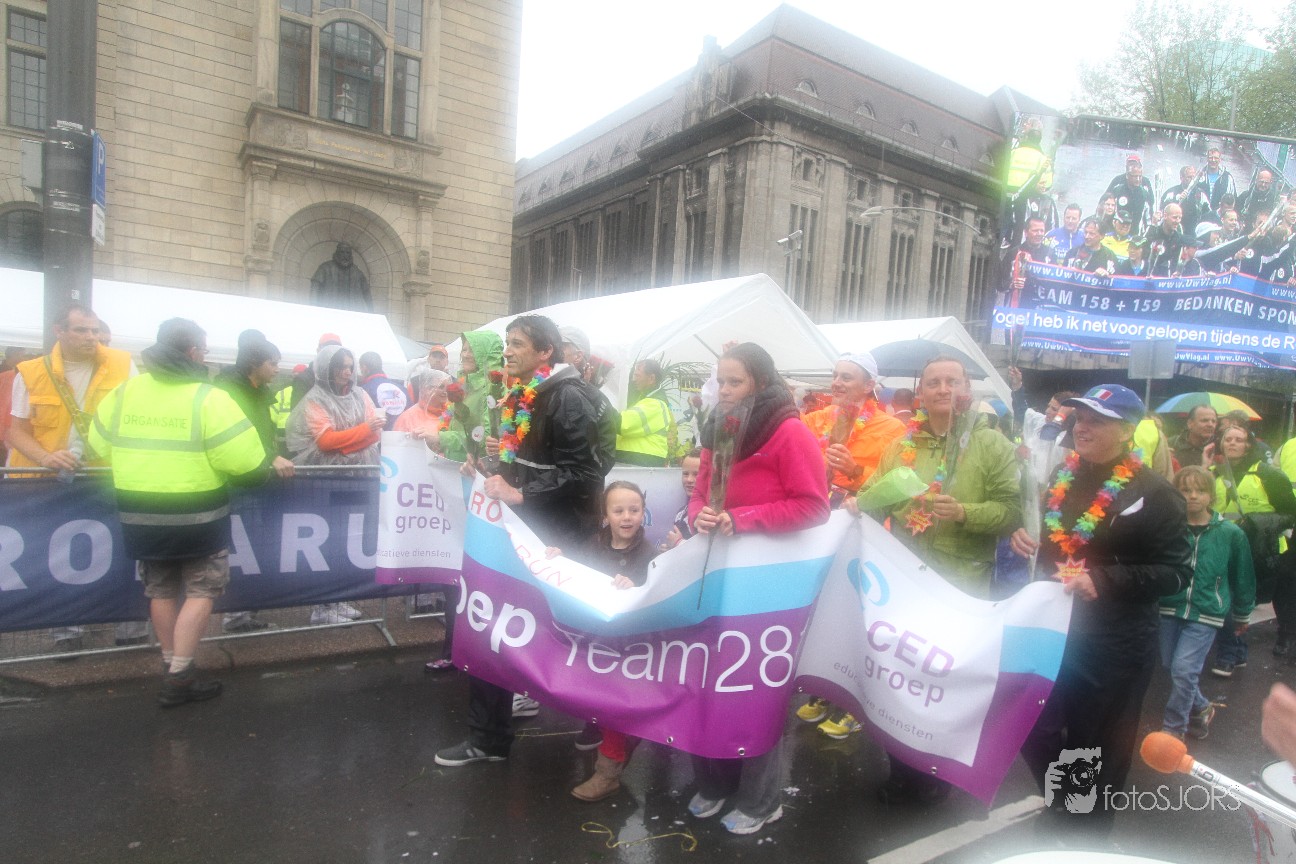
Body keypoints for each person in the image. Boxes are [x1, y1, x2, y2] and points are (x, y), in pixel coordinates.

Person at [1012, 384, 1191, 842]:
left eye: (1097, 420)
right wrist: (1023, 536)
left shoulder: (1156, 492)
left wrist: (1105, 580)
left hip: (1116, 643)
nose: (1082, 427)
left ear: (1127, 431)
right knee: (1032, 724)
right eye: (1080, 418)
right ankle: (1064, 804)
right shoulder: (1063, 476)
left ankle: (1083, 835)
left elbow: (1177, 573)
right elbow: (1052, 542)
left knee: (1094, 747)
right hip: (1056, 630)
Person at [434, 314, 610, 768]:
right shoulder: (523, 390)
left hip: (557, 537)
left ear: (545, 351)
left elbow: (587, 473)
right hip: (520, 527)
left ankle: (601, 721)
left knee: (572, 630)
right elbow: (524, 458)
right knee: (494, 625)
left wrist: (521, 492)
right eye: (507, 342)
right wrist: (490, 469)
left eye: (516, 344)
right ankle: (488, 738)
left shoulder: (569, 396)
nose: (507, 351)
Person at [685, 342, 830, 834]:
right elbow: (701, 493)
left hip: (769, 583)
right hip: (716, 575)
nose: (724, 391)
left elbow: (813, 506)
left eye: (736, 382)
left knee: (754, 690)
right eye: (721, 381)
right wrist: (700, 515)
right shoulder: (717, 426)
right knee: (709, 681)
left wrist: (742, 519)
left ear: (760, 383)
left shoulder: (789, 431)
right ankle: (715, 781)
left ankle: (762, 798)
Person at [863, 356, 1020, 804]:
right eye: (933, 382)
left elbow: (1012, 512)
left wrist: (966, 513)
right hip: (906, 585)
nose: (943, 389)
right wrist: (864, 503)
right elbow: (874, 498)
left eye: (953, 381)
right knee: (901, 679)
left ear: (967, 389)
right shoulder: (901, 445)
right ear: (921, 393)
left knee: (943, 686)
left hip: (961, 587)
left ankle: (937, 774)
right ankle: (901, 769)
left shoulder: (991, 444)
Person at [87, 318, 269, 706]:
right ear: (191, 352)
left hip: (140, 513)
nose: (205, 356)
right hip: (198, 514)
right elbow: (246, 462)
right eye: (203, 349)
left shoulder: (125, 392)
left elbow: (98, 445)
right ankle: (180, 675)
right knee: (202, 590)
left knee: (161, 590)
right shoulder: (208, 397)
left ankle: (171, 663)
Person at [6, 306, 138, 652]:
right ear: (59, 331)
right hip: (51, 483)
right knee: (60, 558)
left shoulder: (124, 365)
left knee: (120, 549)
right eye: (81, 330)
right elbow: (16, 432)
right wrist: (46, 458)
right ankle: (67, 629)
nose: (91, 337)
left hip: (107, 477)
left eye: (94, 330)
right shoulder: (31, 372)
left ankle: (130, 626)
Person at [798, 351, 905, 738]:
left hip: (866, 531)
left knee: (858, 616)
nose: (837, 383)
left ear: (869, 385)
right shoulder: (815, 420)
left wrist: (855, 470)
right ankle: (826, 689)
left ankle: (856, 701)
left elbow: (897, 484)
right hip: (821, 527)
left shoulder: (892, 428)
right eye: (835, 375)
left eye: (847, 377)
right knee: (823, 611)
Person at [566, 480, 660, 802]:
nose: (627, 516)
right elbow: (572, 572)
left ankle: (607, 774)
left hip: (630, 649)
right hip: (596, 643)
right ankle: (621, 740)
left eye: (634, 510)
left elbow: (657, 593)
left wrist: (637, 587)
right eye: (618, 510)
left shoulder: (652, 555)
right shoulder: (593, 545)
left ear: (643, 513)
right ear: (605, 515)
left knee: (614, 706)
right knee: (602, 703)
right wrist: (554, 559)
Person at [286, 343, 383, 625]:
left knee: (346, 539)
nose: (347, 372)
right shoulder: (314, 400)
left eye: (350, 367)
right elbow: (326, 442)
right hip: (325, 481)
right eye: (341, 367)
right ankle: (322, 605)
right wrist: (360, 434)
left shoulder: (360, 394)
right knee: (327, 541)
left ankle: (338, 598)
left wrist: (346, 443)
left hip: (357, 479)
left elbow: (375, 433)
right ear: (327, 369)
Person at [1158, 466, 1254, 740]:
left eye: (1200, 491)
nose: (1193, 496)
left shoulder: (1230, 533)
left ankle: (1173, 729)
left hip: (1207, 610)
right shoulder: (1169, 528)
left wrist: (1242, 613)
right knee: (1170, 665)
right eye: (1185, 490)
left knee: (1184, 669)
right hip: (1170, 605)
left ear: (1211, 495)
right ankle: (1201, 706)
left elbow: (1243, 574)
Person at [213, 332, 296, 634]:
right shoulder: (229, 392)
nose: (276, 369)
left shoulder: (258, 390)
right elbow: (240, 437)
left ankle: (243, 611)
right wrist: (271, 457)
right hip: (239, 483)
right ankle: (235, 614)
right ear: (254, 364)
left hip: (257, 480)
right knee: (240, 550)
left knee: (253, 548)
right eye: (272, 363)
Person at [1205, 424, 1296, 672]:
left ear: (1248, 445)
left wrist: (1258, 522)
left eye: (1239, 439)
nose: (1232, 443)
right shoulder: (1211, 473)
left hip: (1262, 549)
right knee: (1229, 598)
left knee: (1251, 598)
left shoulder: (1268, 475)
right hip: (1221, 547)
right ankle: (1235, 651)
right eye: (1228, 439)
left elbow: (1291, 512)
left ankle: (1281, 636)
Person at [616, 359, 672, 466]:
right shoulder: (645, 400)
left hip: (640, 461)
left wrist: (600, 405)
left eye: (637, 375)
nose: (634, 379)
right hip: (637, 460)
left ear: (651, 378)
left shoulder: (655, 404)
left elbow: (623, 424)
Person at [310, 242, 372, 312]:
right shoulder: (325, 268)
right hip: (329, 311)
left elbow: (366, 293)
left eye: (347, 253)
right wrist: (313, 309)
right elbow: (314, 288)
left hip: (351, 312)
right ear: (337, 253)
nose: (345, 255)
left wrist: (371, 312)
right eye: (342, 252)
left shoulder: (357, 272)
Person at [661, 447, 702, 551]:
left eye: (696, 474)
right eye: (685, 474)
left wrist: (678, 543)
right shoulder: (680, 513)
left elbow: (709, 553)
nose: (689, 480)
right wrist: (669, 551)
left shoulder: (710, 515)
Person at [1105, 154, 1155, 234]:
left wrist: (1147, 233)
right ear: (1127, 176)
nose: (1138, 179)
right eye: (1135, 176)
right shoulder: (1117, 190)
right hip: (1116, 233)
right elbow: (1106, 205)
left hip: (1136, 234)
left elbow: (1149, 213)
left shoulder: (1144, 194)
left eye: (1140, 176)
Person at [358, 352, 408, 431]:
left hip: (378, 437)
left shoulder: (363, 391)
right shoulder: (403, 389)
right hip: (403, 435)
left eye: (360, 368)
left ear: (364, 367)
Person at [1146, 203, 1186, 277]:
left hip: (1168, 276)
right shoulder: (1155, 229)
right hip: (1150, 275)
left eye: (1180, 218)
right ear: (1165, 216)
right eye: (1174, 217)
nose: (1177, 221)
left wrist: (1176, 273)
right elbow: (1144, 248)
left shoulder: (1178, 233)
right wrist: (1153, 225)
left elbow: (1177, 259)